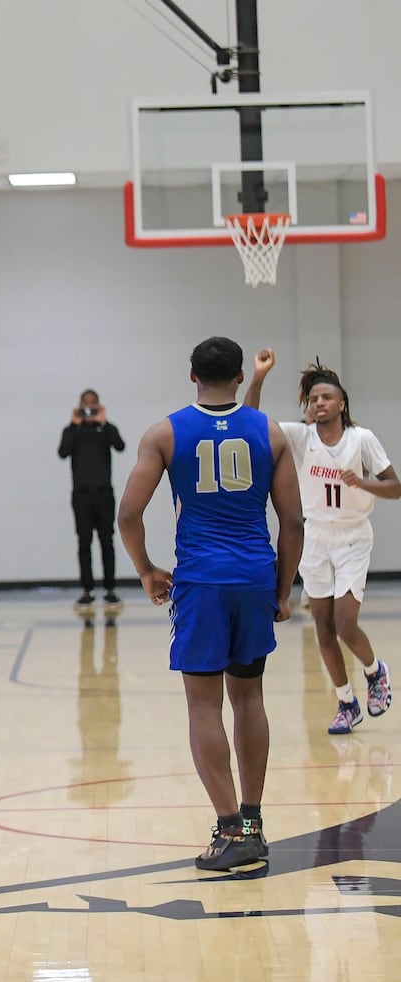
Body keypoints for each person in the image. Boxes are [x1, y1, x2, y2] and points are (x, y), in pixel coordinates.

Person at [117, 337, 303, 871]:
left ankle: (229, 830)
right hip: (253, 577)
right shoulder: (270, 431)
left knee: (204, 704)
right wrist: (283, 591)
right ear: (241, 377)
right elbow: (292, 521)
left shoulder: (165, 432)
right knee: (250, 699)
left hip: (201, 583)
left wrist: (148, 570)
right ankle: (252, 821)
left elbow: (128, 515)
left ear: (191, 373)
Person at [244, 350, 399, 734]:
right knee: (323, 628)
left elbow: (395, 487)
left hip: (352, 536)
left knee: (346, 624)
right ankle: (346, 702)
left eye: (326, 398)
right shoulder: (299, 437)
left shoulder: (362, 439)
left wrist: (362, 482)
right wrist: (259, 377)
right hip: (315, 537)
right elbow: (249, 424)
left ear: (342, 403)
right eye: (314, 399)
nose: (319, 403)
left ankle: (374, 671)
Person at [58, 389, 126, 609]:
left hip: (104, 494)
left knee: (107, 541)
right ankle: (87, 589)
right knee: (84, 543)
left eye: (93, 405)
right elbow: (63, 452)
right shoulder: (72, 430)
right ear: (78, 406)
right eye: (85, 405)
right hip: (82, 495)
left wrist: (103, 423)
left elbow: (120, 446)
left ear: (99, 405)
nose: (89, 409)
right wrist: (75, 424)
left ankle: (110, 588)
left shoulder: (107, 429)